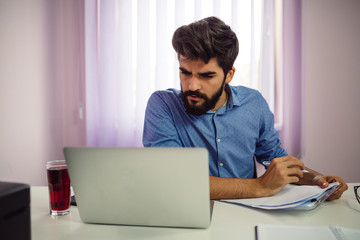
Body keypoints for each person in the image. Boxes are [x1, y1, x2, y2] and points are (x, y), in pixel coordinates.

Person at [142, 16, 347, 200]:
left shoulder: (254, 103)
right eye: (185, 72)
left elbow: (274, 158)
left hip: (247, 218)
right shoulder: (163, 105)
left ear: (229, 74)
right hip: (186, 215)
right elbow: (173, 179)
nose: (192, 85)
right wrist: (260, 186)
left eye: (206, 75)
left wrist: (316, 180)